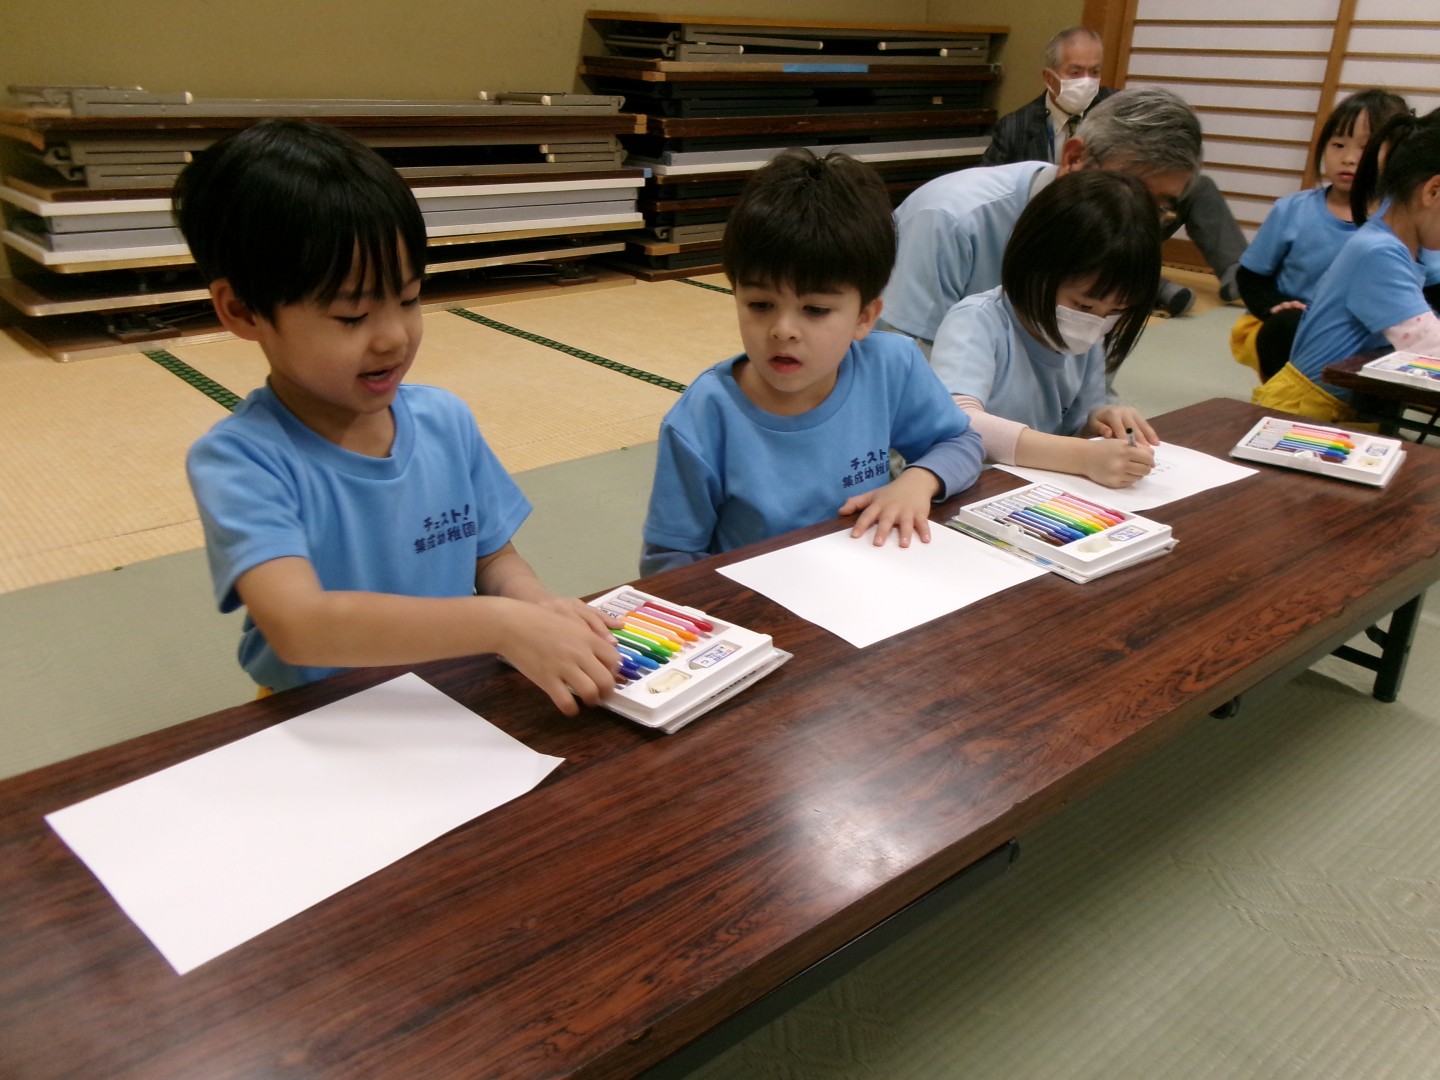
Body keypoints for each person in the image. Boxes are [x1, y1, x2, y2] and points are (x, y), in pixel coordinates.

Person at [177, 119, 621, 714]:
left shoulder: (445, 421)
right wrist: (500, 624)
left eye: (409, 299)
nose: (393, 337)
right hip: (319, 714)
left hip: (450, 696)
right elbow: (300, 626)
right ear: (242, 311)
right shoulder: (241, 460)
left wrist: (532, 603)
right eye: (352, 316)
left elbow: (492, 557)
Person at [639, 148, 984, 576]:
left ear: (865, 317)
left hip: (869, 580)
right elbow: (669, 559)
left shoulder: (891, 366)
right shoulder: (703, 417)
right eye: (760, 304)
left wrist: (918, 480)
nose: (783, 330)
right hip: (757, 601)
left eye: (815, 310)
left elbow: (961, 442)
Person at [881, 87, 1201, 353]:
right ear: (1074, 159)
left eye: (1159, 207)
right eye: (1128, 190)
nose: (1139, 217)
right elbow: (904, 365)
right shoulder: (951, 219)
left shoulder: (1115, 240)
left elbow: (1089, 375)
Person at [978, 28, 1247, 316]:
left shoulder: (1121, 109)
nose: (1086, 80)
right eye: (1075, 72)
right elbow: (990, 186)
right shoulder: (1015, 126)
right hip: (1055, 227)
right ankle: (1150, 285)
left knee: (1199, 186)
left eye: (1094, 71)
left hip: (1124, 214)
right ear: (1050, 77)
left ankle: (1238, 273)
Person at [929, 170, 1160, 488]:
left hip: (1039, 491)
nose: (1097, 323)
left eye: (1117, 312)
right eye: (1084, 306)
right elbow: (960, 422)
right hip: (971, 491)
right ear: (1035, 268)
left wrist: (1097, 424)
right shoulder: (977, 321)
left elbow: (1073, 431)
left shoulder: (1086, 340)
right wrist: (1083, 456)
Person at [1256, 109, 1440, 422]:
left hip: (1340, 407)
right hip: (1308, 411)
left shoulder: (1389, 240)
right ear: (1432, 191)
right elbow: (1428, 346)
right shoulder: (1380, 253)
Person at [1232, 89, 1410, 381]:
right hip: (1299, 328)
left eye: (1366, 148)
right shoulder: (1292, 210)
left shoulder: (1403, 217)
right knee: (1283, 327)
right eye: (1338, 145)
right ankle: (1282, 401)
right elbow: (1251, 277)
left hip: (1370, 336)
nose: (1349, 158)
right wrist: (1274, 305)